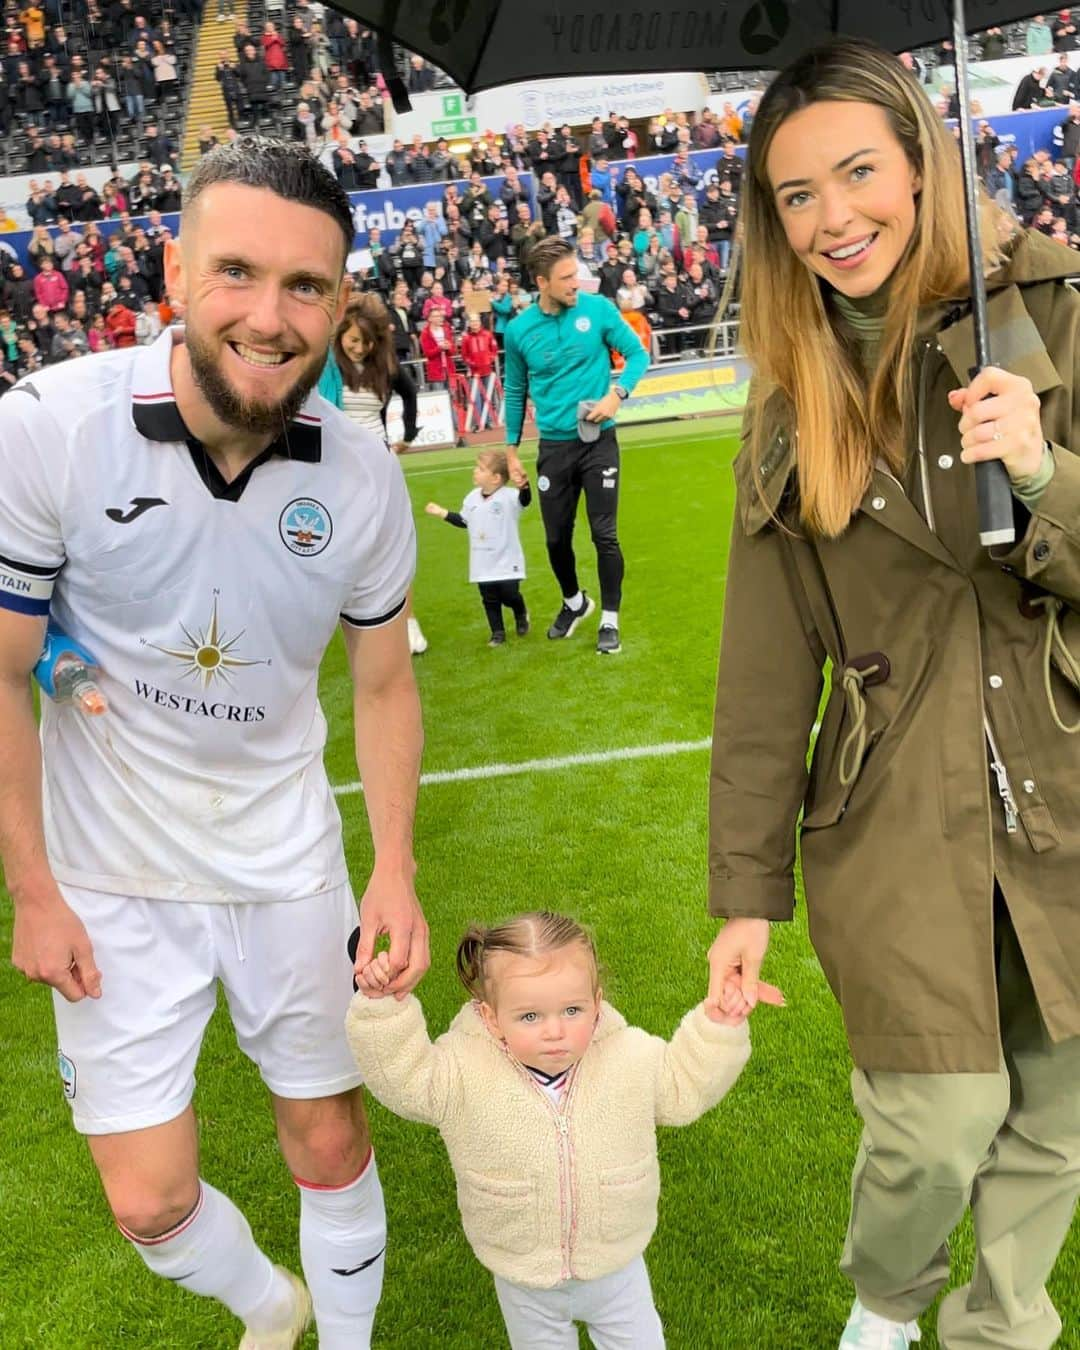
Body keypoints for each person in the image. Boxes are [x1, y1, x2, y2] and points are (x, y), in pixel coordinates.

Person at [0, 138, 428, 1348]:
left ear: (341, 304)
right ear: (176, 267)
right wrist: (32, 889)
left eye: (307, 286)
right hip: (109, 877)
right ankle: (271, 1306)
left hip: (286, 859)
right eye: (237, 272)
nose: (269, 316)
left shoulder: (357, 474)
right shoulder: (48, 431)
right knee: (149, 1202)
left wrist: (391, 867)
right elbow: (5, 672)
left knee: (331, 1137)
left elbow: (385, 683)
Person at [706, 39, 1080, 1350]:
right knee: (938, 1124)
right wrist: (746, 896)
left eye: (858, 171)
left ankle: (999, 1332)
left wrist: (1040, 468)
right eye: (795, 195)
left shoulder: (1057, 309)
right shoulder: (784, 411)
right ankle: (882, 1306)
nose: (831, 218)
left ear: (920, 164)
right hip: (891, 819)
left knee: (1053, 1119)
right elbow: (762, 687)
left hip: (1065, 792)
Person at [346, 911, 762, 1348]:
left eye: (572, 1010)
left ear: (596, 1003)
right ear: (490, 1018)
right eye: (530, 1016)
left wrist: (718, 1025)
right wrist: (381, 1009)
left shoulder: (630, 1058)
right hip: (523, 1277)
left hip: (617, 1267)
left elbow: (683, 1085)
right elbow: (405, 1078)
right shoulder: (461, 1072)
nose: (555, 1031)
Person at [503, 238, 649, 655]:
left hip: (599, 442)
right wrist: (512, 450)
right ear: (542, 282)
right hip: (554, 448)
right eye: (566, 278)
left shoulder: (598, 309)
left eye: (576, 274)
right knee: (555, 540)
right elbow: (516, 390)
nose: (576, 282)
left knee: (605, 534)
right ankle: (575, 602)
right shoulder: (518, 331)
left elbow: (637, 355)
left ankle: (609, 618)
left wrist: (616, 395)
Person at [320, 293, 428, 656]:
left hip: (380, 462)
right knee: (342, 547)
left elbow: (411, 395)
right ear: (341, 335)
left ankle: (408, 622)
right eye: (352, 340)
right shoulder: (328, 365)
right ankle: (347, 621)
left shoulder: (384, 365)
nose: (359, 348)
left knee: (394, 546)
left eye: (366, 342)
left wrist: (407, 437)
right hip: (338, 468)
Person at [425, 450, 531, 646]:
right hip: (482, 561)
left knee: (509, 594)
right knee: (489, 598)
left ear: (496, 478)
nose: (475, 471)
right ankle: (497, 633)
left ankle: (520, 611)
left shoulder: (509, 496)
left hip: (507, 559)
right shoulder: (471, 498)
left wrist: (524, 486)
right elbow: (465, 521)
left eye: (481, 469)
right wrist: (443, 513)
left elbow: (525, 500)